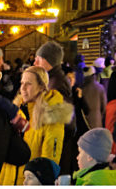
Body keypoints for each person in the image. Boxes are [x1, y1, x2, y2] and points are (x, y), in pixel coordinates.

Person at [0, 66, 73, 185]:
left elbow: (48, 163)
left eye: (28, 84)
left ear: (41, 87)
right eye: (22, 83)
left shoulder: (51, 117)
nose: (22, 88)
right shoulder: (16, 112)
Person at [33, 41, 76, 175]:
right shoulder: (52, 79)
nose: (35, 63)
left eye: (38, 59)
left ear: (47, 61)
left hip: (59, 146)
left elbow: (63, 120)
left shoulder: (56, 83)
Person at [81, 65, 106, 130]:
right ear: (94, 75)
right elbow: (104, 106)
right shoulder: (100, 87)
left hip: (83, 121)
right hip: (97, 119)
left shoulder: (81, 88)